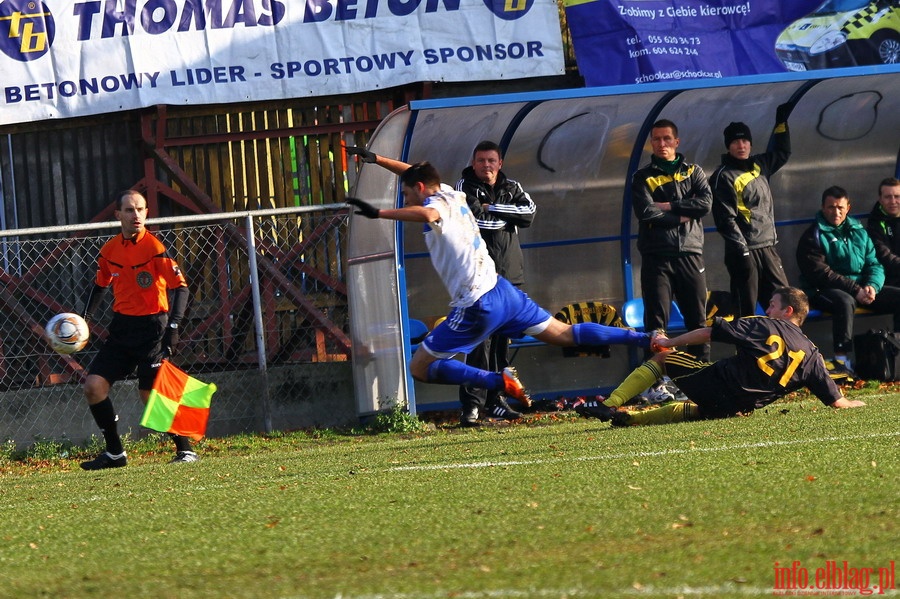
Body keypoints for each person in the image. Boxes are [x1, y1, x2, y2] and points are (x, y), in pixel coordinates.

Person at [344, 147, 662, 421]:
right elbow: (415, 175)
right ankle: (646, 339)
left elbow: (427, 214)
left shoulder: (436, 204)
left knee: (420, 367)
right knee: (563, 334)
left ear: (420, 188)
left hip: (476, 303)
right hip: (503, 291)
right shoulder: (451, 193)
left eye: (406, 192)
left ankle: (498, 380)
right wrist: (376, 159)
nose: (405, 196)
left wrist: (379, 212)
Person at [576, 287, 866, 426]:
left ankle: (611, 406)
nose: (768, 310)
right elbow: (838, 402)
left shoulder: (762, 323)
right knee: (700, 410)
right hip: (740, 406)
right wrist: (857, 403)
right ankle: (632, 421)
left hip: (719, 383)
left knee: (665, 358)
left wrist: (670, 341)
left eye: (773, 305)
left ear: (787, 311)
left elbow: (709, 332)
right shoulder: (813, 356)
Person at [79, 190, 194, 469]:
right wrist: (84, 318)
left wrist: (174, 328)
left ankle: (186, 450)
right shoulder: (109, 251)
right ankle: (115, 454)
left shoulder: (154, 248)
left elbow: (181, 288)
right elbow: (101, 283)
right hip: (121, 328)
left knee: (149, 395)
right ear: (118, 215)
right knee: (93, 387)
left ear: (146, 213)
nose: (136, 215)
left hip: (153, 327)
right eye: (130, 210)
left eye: (141, 209)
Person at [455, 140, 537, 426]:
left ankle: (496, 399)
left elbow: (529, 214)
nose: (486, 166)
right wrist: (504, 214)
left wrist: (494, 207)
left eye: (491, 161)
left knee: (503, 341)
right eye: (481, 161)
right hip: (479, 279)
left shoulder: (513, 186)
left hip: (511, 276)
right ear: (474, 163)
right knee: (479, 341)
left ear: (500, 163)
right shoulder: (463, 187)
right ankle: (472, 406)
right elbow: (480, 223)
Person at [631, 119, 712, 401]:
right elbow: (646, 213)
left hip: (690, 253)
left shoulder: (694, 172)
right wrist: (682, 215)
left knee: (698, 322)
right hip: (657, 256)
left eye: (667, 139)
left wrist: (669, 206)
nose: (662, 144)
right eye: (657, 140)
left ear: (677, 142)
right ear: (651, 144)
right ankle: (657, 384)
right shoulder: (642, 177)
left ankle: (699, 377)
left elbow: (705, 204)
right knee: (656, 322)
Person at [796, 185, 900, 374]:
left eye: (840, 207)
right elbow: (820, 274)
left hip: (861, 289)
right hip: (821, 291)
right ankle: (842, 362)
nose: (836, 212)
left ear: (848, 208)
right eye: (831, 207)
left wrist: (872, 286)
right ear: (823, 207)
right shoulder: (813, 235)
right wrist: (855, 290)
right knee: (844, 302)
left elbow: (874, 263)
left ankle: (897, 352)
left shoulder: (859, 231)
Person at [710, 103, 792, 317]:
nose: (741, 145)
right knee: (746, 309)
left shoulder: (759, 165)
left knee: (783, 302)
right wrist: (743, 251)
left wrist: (781, 123)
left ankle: (784, 348)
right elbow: (725, 219)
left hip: (768, 247)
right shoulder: (723, 176)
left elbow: (782, 152)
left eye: (745, 140)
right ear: (728, 145)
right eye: (736, 141)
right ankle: (745, 351)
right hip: (744, 251)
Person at [866, 177, 900, 287]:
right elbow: (884, 256)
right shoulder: (875, 224)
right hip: (889, 280)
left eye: (897, 196)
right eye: (888, 197)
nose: (893, 201)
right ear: (880, 199)